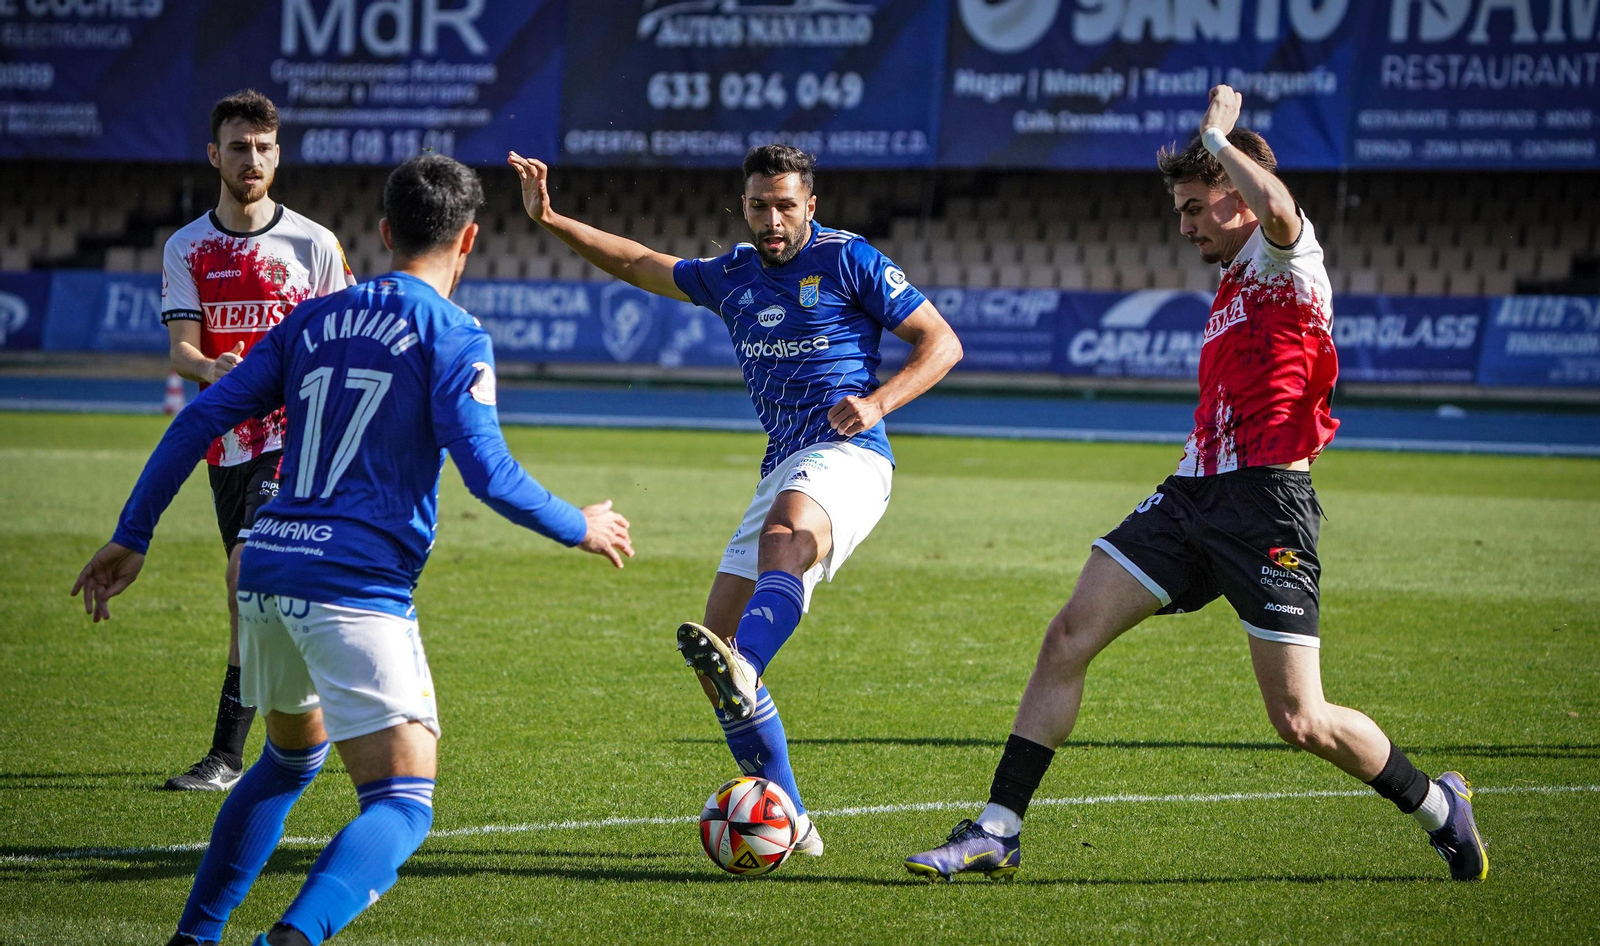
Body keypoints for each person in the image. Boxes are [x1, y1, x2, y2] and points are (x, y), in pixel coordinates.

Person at [903, 86, 1487, 883]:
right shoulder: (1231, 286)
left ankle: (1437, 805)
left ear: (1233, 200)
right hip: (1190, 496)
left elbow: (1279, 206)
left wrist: (1217, 138)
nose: (1182, 226)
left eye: (1193, 208)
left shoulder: (1288, 258)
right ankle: (998, 830)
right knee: (1068, 636)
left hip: (1267, 504)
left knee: (1299, 719)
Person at [72, 154, 634, 946]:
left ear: (381, 232)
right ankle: (289, 939)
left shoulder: (309, 319)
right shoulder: (453, 333)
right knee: (403, 803)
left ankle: (195, 938)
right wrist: (584, 525)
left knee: (288, 762)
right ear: (469, 239)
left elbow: (199, 418)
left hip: (267, 568)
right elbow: (490, 475)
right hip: (352, 587)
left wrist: (133, 533)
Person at [508, 144, 962, 855]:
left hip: (850, 455)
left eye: (786, 205)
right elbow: (636, 262)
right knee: (713, 650)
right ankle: (794, 818)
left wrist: (878, 402)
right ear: (743, 207)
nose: (772, 220)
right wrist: (552, 218)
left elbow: (941, 342)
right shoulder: (734, 275)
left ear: (811, 204)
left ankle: (749, 662)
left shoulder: (851, 259)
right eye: (759, 207)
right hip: (782, 462)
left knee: (784, 546)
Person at [159, 89, 355, 791]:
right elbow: (182, 347)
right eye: (238, 147)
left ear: (278, 155)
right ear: (215, 155)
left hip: (295, 437)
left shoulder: (314, 244)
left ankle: (227, 756)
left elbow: (345, 337)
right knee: (261, 593)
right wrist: (211, 368)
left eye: (263, 148)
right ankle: (313, 709)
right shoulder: (187, 248)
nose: (252, 159)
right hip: (226, 441)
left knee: (247, 576)